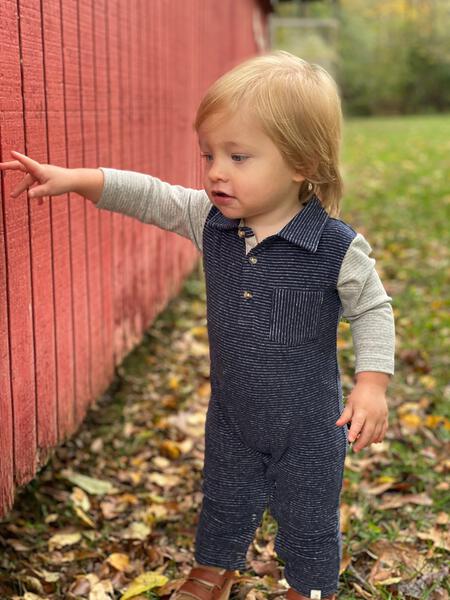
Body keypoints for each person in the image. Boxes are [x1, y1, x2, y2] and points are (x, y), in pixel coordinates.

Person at [0, 51, 395, 600]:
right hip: (233, 409)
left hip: (309, 421)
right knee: (225, 493)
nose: (215, 171)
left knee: (308, 510)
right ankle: (213, 569)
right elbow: (150, 195)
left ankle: (310, 588)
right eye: (208, 154)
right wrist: (75, 179)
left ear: (302, 163)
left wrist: (371, 384)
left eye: (238, 156)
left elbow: (372, 309)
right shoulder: (210, 219)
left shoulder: (333, 246)